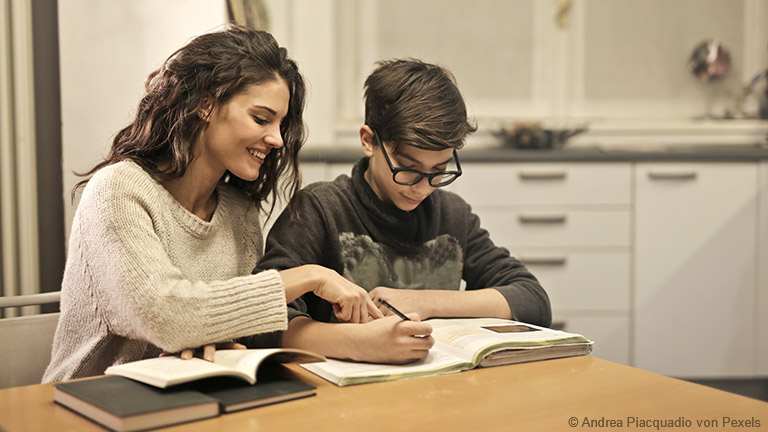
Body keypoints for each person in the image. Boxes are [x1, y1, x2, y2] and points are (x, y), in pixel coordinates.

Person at [43, 24, 380, 383]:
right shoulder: (118, 191)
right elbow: (167, 316)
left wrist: (215, 343)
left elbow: (225, 329)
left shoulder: (239, 212)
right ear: (206, 103)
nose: (277, 139)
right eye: (262, 118)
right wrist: (309, 275)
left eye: (282, 124)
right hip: (86, 403)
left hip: (191, 399)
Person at [255, 59, 551, 364]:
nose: (422, 189)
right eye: (408, 170)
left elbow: (532, 300)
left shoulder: (452, 215)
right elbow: (258, 320)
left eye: (439, 170)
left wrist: (424, 301)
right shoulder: (320, 210)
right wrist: (357, 343)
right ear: (369, 141)